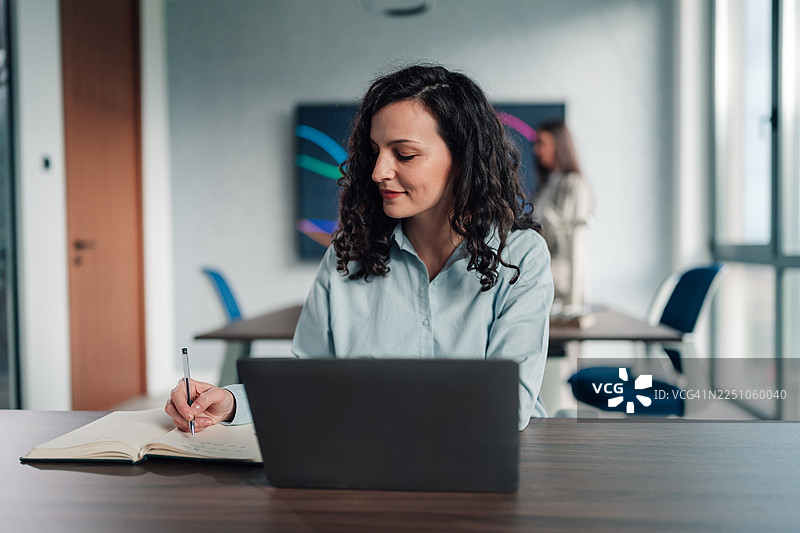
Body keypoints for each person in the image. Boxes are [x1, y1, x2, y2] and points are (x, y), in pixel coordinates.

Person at [166, 64, 554, 432]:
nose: (378, 171)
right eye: (375, 151)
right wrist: (231, 403)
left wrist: (356, 397)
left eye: (404, 154)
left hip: (488, 466)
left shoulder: (521, 256)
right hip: (366, 463)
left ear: (463, 160)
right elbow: (309, 382)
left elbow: (509, 405)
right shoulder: (346, 253)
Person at [533, 119, 593, 317]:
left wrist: (573, 301)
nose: (537, 150)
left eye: (543, 143)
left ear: (559, 145)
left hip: (562, 284)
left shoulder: (574, 185)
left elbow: (572, 242)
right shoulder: (546, 185)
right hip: (541, 277)